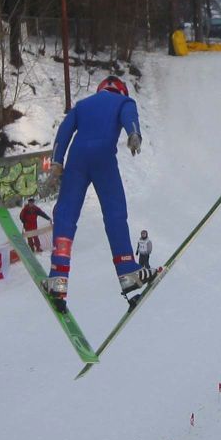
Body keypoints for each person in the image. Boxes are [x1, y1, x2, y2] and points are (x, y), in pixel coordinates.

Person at [46, 75, 157, 313]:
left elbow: (64, 132)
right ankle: (127, 271)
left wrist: (57, 162)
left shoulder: (83, 105)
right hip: (103, 159)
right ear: (122, 90)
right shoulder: (124, 102)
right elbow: (130, 118)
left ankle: (58, 278)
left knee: (65, 215)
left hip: (76, 160)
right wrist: (133, 135)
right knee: (115, 213)